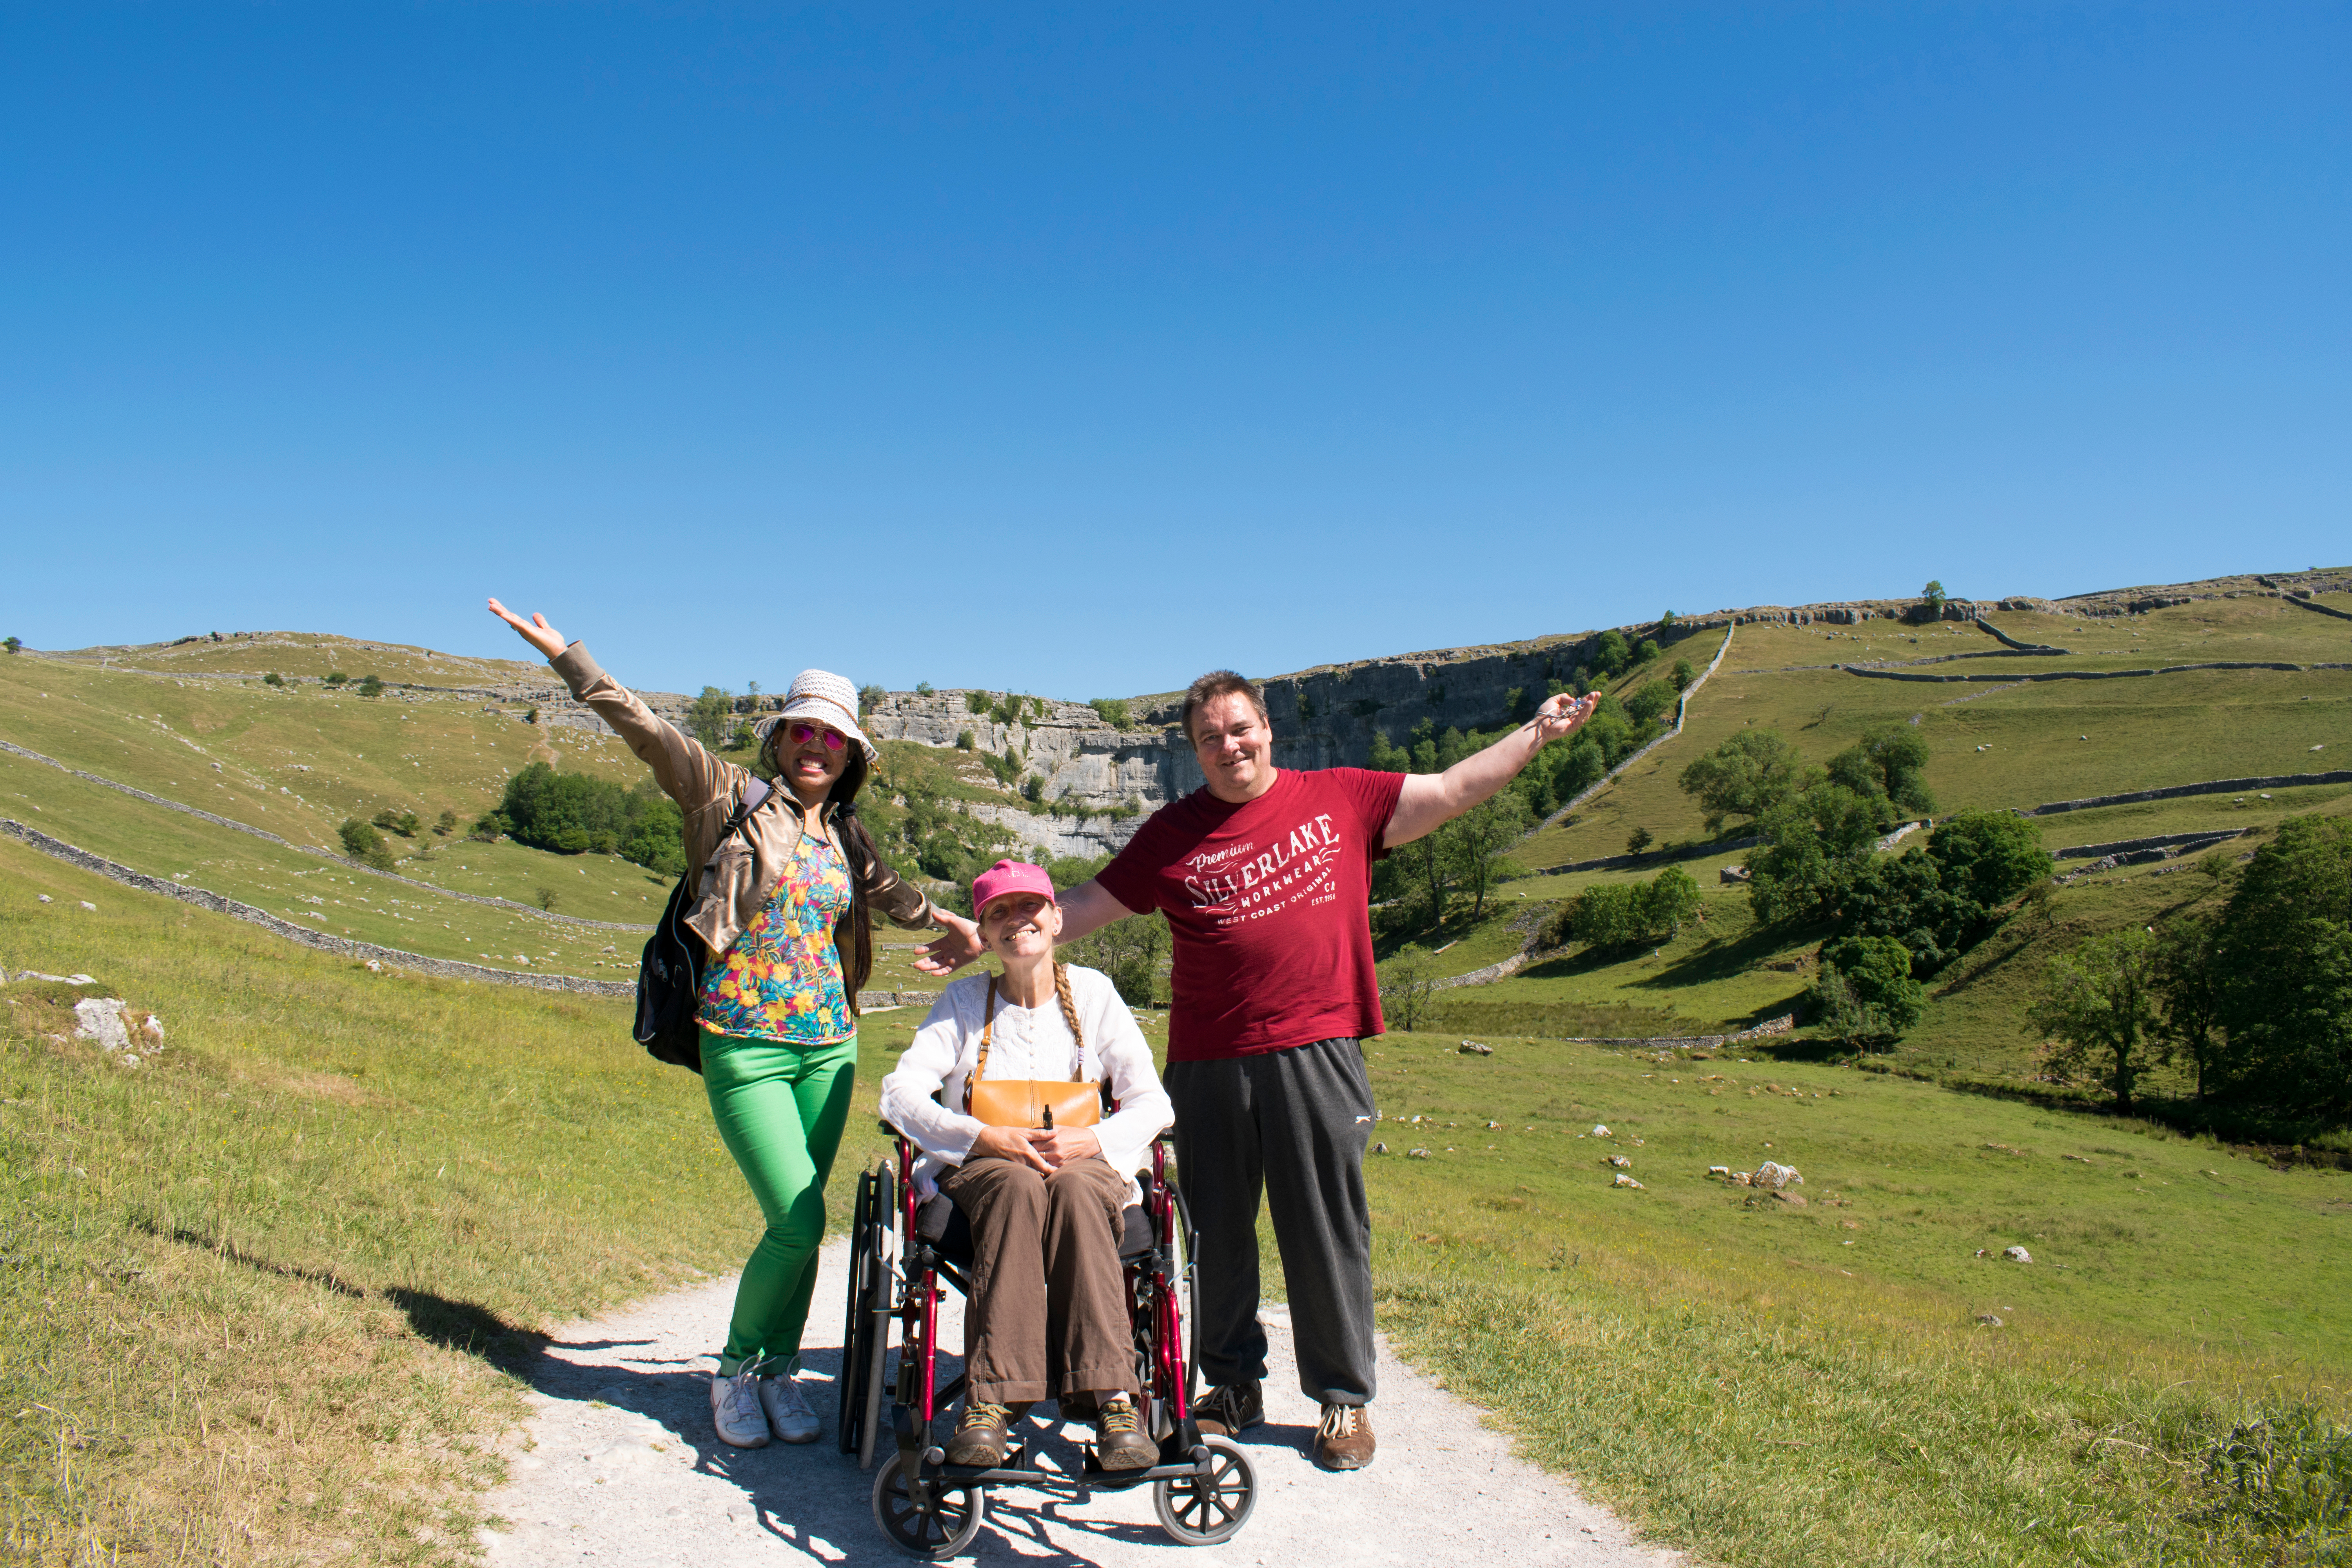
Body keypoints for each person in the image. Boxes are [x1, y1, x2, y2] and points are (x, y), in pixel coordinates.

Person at [918, 671, 1597, 1470]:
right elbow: (1084, 903)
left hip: (1318, 1047)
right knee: (1216, 1233)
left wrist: (1537, 734)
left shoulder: (1342, 795)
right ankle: (1233, 1384)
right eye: (1210, 738)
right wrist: (995, 931)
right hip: (1208, 1060)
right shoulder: (1174, 831)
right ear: (1195, 749)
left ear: (1267, 728)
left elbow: (1451, 788)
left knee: (1324, 1226)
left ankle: (1343, 1400)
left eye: (1239, 730)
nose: (1229, 746)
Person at [486, 598, 979, 1450]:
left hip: (830, 1046)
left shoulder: (846, 835)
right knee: (792, 1216)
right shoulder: (725, 796)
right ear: (780, 740)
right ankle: (736, 1371)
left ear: (851, 754)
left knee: (811, 1215)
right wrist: (570, 659)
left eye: (832, 738)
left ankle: (779, 1369)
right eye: (802, 733)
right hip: (743, 1043)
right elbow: (645, 730)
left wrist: (951, 920)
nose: (815, 747)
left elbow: (893, 893)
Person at [880, 860, 1174, 1471]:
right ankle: (991, 1403)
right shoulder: (963, 1001)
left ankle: (1112, 1397)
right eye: (999, 913)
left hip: (1085, 1164)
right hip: (988, 1169)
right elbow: (899, 1095)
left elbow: (1152, 1102)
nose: (1018, 921)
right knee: (1016, 1185)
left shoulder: (1094, 994)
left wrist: (1092, 1141)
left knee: (1071, 1189)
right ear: (984, 935)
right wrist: (984, 1135)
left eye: (1030, 907)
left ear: (1057, 918)